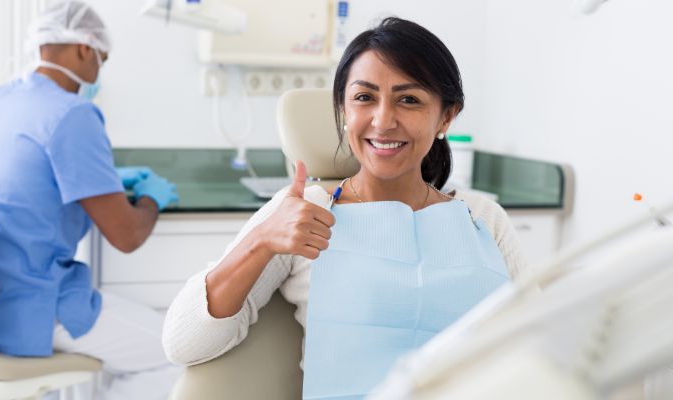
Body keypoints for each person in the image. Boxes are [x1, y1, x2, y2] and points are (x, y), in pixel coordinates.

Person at [162, 17, 527, 397]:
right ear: (343, 109)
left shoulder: (483, 219)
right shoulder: (305, 212)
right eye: (364, 97)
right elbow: (184, 343)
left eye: (409, 100)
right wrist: (260, 242)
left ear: (446, 116)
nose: (383, 120)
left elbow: (540, 341)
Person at [0, 2, 180, 398]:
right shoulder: (73, 113)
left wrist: (104, 181)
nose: (99, 71)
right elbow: (127, 236)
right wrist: (152, 200)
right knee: (177, 350)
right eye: (102, 59)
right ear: (85, 49)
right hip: (27, 306)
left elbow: (16, 180)